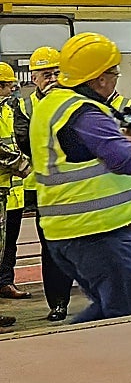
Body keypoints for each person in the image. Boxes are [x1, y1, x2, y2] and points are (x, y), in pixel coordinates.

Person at [31, 33, 131, 322]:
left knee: (113, 309)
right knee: (126, 314)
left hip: (70, 231)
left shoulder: (53, 103)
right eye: (114, 74)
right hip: (95, 232)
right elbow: (130, 162)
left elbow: (96, 148)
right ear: (100, 78)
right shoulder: (84, 113)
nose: (115, 80)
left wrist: (128, 131)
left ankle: (68, 346)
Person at [8, 46, 76, 321]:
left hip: (77, 185)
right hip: (45, 190)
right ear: (33, 77)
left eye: (56, 73)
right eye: (46, 74)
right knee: (52, 247)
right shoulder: (24, 107)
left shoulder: (74, 100)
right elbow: (27, 142)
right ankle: (58, 302)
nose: (52, 79)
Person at [0, 63, 29, 329]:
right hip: (4, 185)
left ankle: (5, 282)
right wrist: (24, 165)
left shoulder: (8, 110)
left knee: (8, 244)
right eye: (9, 86)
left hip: (12, 190)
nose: (12, 91)